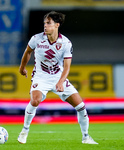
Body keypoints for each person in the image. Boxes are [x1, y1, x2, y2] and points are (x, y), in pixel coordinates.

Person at [18, 11, 98, 144]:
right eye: (44, 23)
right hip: (41, 77)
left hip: (58, 77)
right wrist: (22, 68)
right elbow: (28, 52)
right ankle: (24, 131)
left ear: (57, 25)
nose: (45, 26)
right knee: (35, 100)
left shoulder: (65, 43)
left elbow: (67, 67)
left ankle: (86, 137)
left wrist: (61, 82)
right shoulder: (36, 39)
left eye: (48, 23)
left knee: (81, 107)